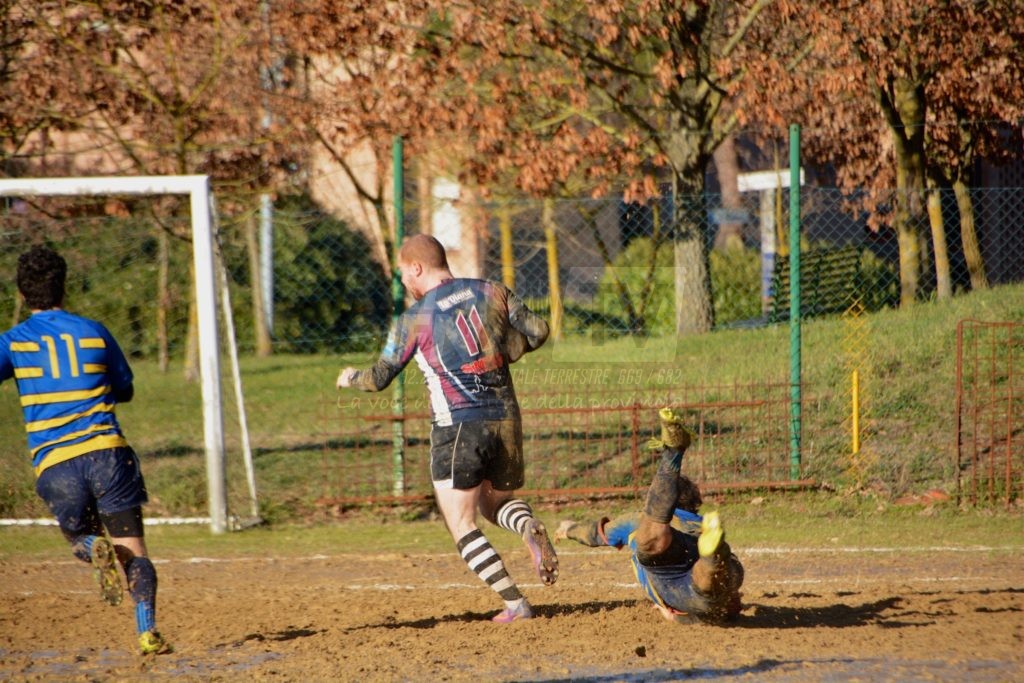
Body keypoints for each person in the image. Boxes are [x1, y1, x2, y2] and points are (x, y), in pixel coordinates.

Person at [337, 233, 557, 623]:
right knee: (496, 504)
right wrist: (506, 351)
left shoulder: (414, 319)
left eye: (404, 273)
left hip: (458, 426)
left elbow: (380, 378)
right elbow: (538, 330)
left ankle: (515, 604)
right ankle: (528, 527)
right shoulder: (493, 290)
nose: (404, 282)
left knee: (462, 523)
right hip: (507, 417)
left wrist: (351, 377)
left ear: (417, 268)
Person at [0, 245, 171, 655]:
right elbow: (125, 389)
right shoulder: (94, 330)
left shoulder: (12, 341)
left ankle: (92, 547)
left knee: (81, 534)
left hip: (56, 464)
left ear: (21, 295)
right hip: (109, 455)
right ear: (64, 287)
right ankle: (147, 633)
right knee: (134, 551)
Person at [555, 408, 744, 624]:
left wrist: (568, 528)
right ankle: (713, 558)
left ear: (661, 503)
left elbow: (595, 535)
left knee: (653, 544)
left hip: (678, 586)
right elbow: (731, 606)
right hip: (726, 568)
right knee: (708, 585)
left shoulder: (636, 520)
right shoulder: (699, 522)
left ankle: (673, 454)